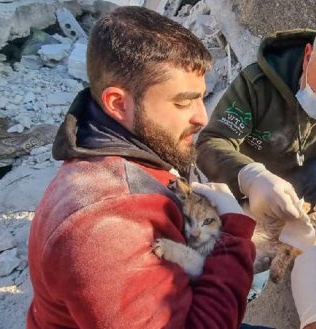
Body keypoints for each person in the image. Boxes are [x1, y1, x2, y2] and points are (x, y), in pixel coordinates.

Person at [26, 7, 257, 328]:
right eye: (182, 102)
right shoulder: (104, 227)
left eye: (201, 98)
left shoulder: (139, 147)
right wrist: (232, 234)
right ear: (118, 103)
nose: (202, 117)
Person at [196, 6, 316, 238]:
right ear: (308, 56)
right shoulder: (258, 85)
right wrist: (251, 178)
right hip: (245, 192)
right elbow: (210, 143)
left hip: (303, 200)